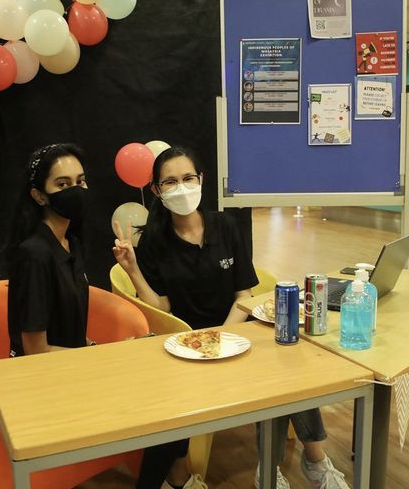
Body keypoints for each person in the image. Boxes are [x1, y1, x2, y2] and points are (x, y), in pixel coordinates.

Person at [113, 146, 350, 489]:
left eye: (188, 178)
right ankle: (192, 474)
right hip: (188, 344)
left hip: (235, 331)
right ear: (156, 190)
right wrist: (133, 271)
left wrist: (223, 337)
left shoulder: (225, 226)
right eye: (170, 182)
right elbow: (161, 307)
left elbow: (244, 296)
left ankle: (313, 461)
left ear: (201, 180)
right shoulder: (154, 240)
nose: (181, 188)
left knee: (291, 366)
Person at [6, 143, 206, 489]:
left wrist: (103, 350)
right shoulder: (35, 255)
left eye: (80, 181)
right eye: (63, 184)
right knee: (166, 396)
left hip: (71, 368)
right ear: (38, 195)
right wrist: (104, 360)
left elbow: (66, 328)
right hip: (42, 383)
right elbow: (35, 352)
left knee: (169, 378)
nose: (76, 191)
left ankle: (174, 477)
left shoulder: (69, 242)